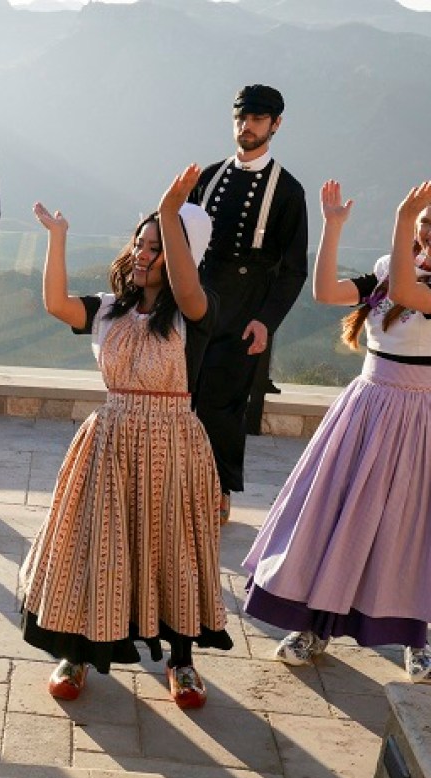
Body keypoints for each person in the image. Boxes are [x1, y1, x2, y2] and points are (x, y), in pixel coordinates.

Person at [18, 166, 233, 709]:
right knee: (95, 547)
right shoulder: (109, 308)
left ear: (183, 256)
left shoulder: (194, 313)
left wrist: (169, 209)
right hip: (110, 441)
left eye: (157, 247)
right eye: (140, 243)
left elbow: (186, 286)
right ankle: (76, 650)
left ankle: (181, 661)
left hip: (172, 446)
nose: (143, 254)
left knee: (174, 551)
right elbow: (55, 303)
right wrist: (58, 238)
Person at [243, 180, 431, 683]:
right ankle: (315, 625)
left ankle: (416, 635)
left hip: (419, 417)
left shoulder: (414, 282)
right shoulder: (391, 272)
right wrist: (333, 228)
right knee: (336, 516)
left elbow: (411, 294)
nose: (429, 230)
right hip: (365, 408)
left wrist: (401, 217)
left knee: (409, 528)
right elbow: (326, 291)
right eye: (426, 222)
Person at [189, 84, 308, 525]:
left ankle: (219, 487)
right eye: (241, 118)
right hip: (195, 302)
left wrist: (266, 321)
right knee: (182, 398)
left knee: (221, 405)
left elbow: (294, 268)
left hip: (244, 311)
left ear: (275, 125)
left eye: (257, 120)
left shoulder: (288, 191)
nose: (247, 126)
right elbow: (179, 239)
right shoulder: (208, 176)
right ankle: (179, 482)